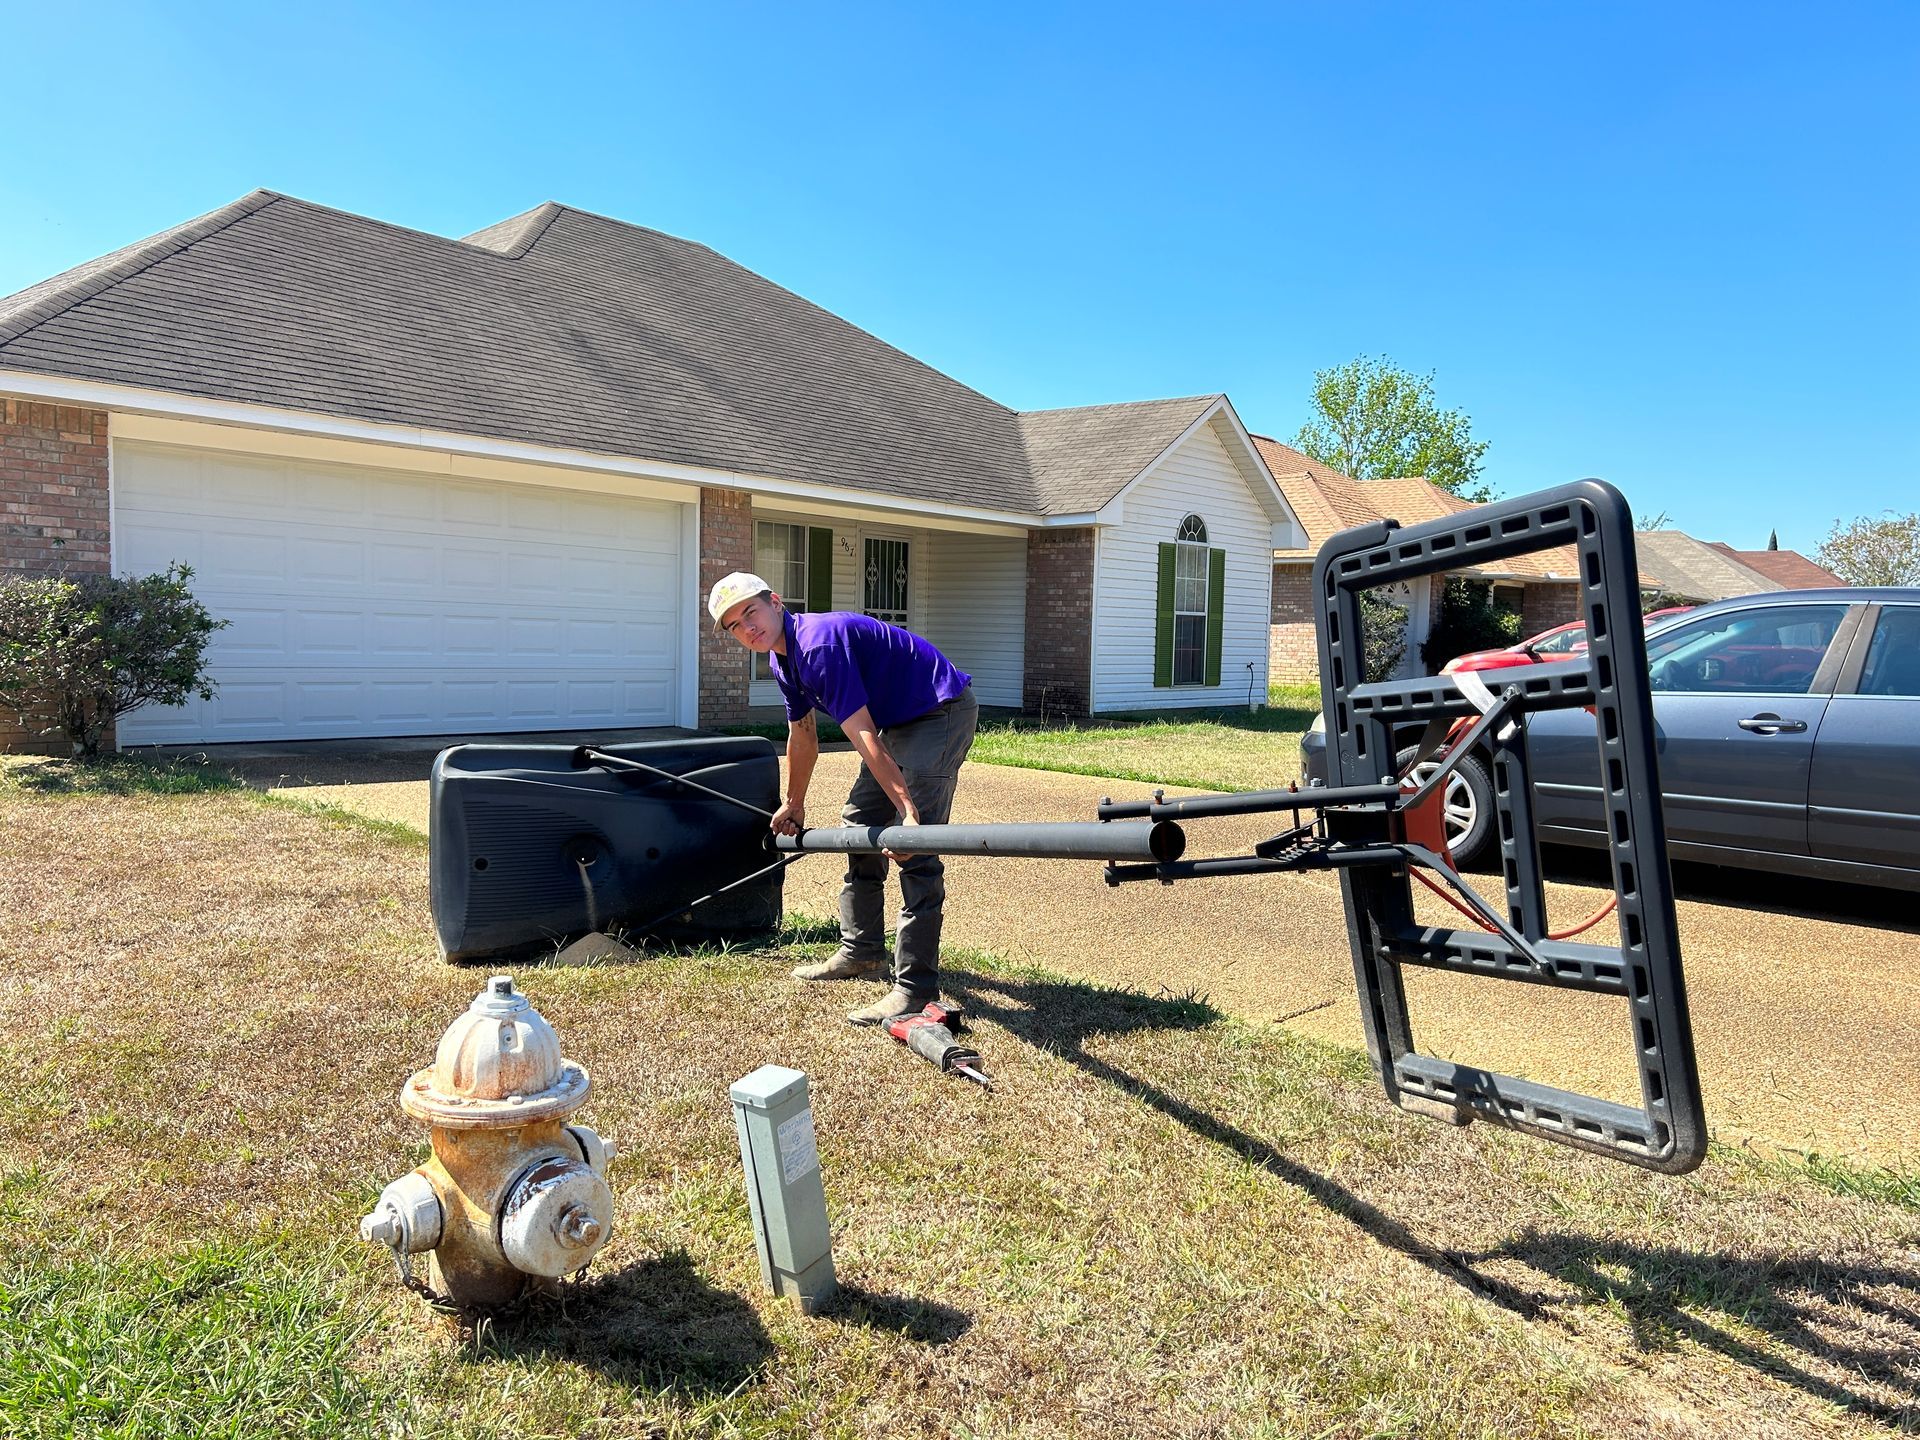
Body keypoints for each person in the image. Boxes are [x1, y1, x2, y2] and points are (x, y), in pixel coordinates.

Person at [707, 571, 977, 1026]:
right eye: (735, 624)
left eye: (750, 611)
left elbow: (863, 734)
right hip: (898, 721)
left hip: (939, 711)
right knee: (860, 827)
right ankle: (863, 950)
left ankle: (914, 988)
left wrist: (909, 812)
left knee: (915, 848)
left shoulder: (818, 645)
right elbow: (802, 734)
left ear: (775, 602)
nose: (747, 627)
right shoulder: (783, 658)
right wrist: (794, 803)